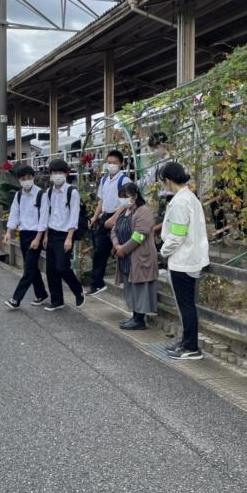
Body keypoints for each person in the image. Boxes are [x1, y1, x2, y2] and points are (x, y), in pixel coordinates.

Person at [159, 162, 210, 360]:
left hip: (183, 259)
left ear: (168, 180)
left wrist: (164, 251)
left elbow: (177, 234)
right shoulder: (189, 197)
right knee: (187, 305)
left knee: (185, 305)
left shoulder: (180, 202)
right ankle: (187, 342)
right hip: (190, 256)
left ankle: (190, 346)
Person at [111, 183, 158, 330]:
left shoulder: (144, 211)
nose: (123, 200)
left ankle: (139, 320)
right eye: (121, 197)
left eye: (126, 197)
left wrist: (123, 249)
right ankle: (134, 315)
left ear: (135, 196)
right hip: (125, 257)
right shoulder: (123, 211)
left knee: (140, 288)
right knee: (130, 287)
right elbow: (114, 230)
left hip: (139, 256)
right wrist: (116, 245)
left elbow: (140, 235)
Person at [4, 165, 49, 309]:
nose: (26, 180)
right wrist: (8, 232)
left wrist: (38, 238)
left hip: (36, 234)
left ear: (33, 177)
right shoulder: (19, 195)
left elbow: (44, 218)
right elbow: (14, 214)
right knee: (32, 267)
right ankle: (41, 294)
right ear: (19, 180)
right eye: (23, 178)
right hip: (23, 234)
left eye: (28, 177)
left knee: (28, 268)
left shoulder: (41, 195)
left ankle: (16, 299)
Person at [44, 158, 85, 311]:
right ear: (50, 174)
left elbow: (74, 216)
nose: (57, 175)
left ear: (66, 173)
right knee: (51, 269)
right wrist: (46, 235)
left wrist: (69, 238)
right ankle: (57, 301)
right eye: (54, 172)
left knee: (62, 267)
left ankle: (78, 290)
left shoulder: (72, 192)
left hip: (65, 235)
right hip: (52, 233)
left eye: (60, 172)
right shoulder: (49, 192)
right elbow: (47, 214)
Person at [88, 150, 131, 295]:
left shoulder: (124, 180)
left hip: (119, 216)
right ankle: (97, 284)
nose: (111, 165)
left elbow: (127, 202)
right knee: (99, 250)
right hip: (105, 216)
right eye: (109, 163)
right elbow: (102, 200)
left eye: (115, 163)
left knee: (120, 249)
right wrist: (95, 217)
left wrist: (114, 218)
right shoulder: (104, 180)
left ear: (121, 164)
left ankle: (126, 281)